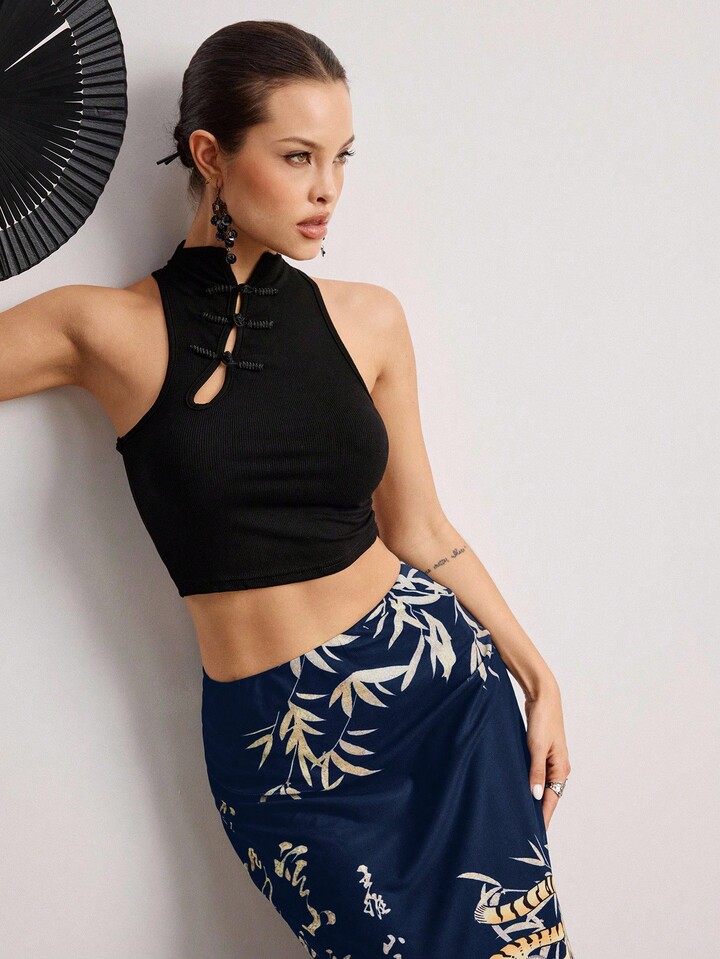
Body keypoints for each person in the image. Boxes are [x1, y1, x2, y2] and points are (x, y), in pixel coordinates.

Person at [1, 19, 574, 959]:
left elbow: (422, 530)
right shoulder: (103, 329)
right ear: (210, 156)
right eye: (298, 156)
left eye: (341, 157)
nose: (327, 189)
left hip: (441, 702)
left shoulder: (369, 321)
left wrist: (538, 676)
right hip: (282, 752)